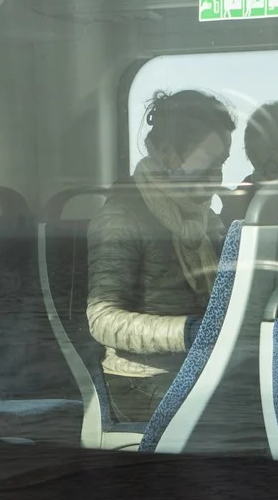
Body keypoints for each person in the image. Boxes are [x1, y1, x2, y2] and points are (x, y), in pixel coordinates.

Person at [85, 90, 235, 422]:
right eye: (206, 162)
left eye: (221, 164)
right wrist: (188, 332)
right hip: (140, 382)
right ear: (167, 153)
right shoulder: (119, 218)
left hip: (202, 368)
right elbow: (101, 318)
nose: (217, 177)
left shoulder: (209, 220)